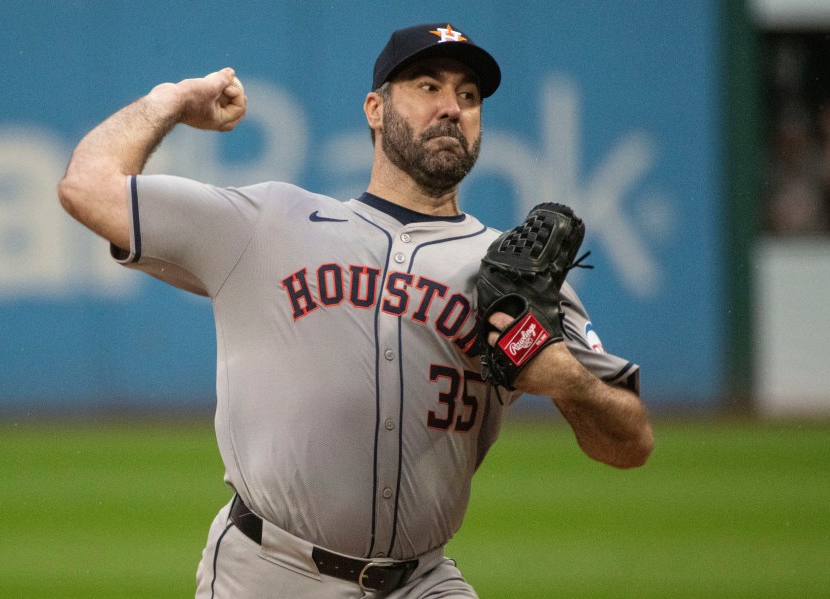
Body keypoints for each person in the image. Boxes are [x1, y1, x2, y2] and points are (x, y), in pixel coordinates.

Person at [58, 22, 653, 599]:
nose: (451, 106)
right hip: (269, 573)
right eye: (428, 86)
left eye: (468, 96)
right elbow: (87, 187)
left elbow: (631, 444)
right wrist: (172, 101)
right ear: (375, 108)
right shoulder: (267, 223)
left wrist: (569, 382)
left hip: (422, 581)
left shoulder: (512, 275)